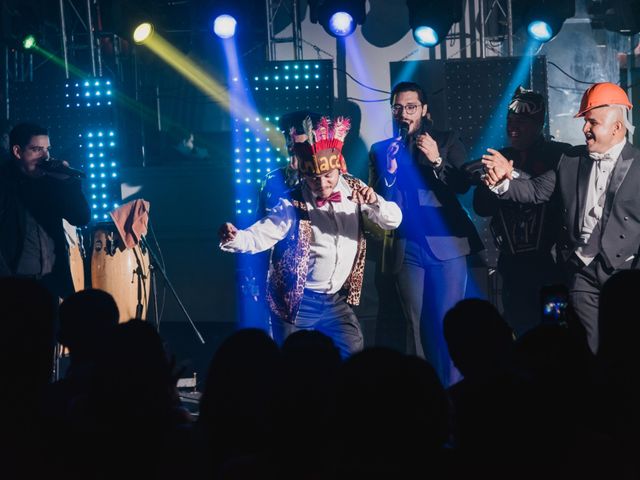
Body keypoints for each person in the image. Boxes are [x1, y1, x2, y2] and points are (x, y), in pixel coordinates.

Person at [220, 115, 402, 358]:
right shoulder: (291, 201)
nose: (323, 184)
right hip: (297, 299)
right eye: (315, 179)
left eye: (328, 176)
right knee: (290, 364)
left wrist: (375, 202)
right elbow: (263, 233)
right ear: (305, 176)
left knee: (352, 349)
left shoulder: (353, 188)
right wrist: (235, 237)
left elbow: (393, 220)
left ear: (338, 168)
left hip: (334, 299)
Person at [482, 82, 640, 354]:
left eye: (592, 122)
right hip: (580, 273)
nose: (585, 129)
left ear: (617, 128)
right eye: (585, 122)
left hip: (624, 276)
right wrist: (502, 183)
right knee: (588, 348)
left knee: (624, 347)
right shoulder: (570, 160)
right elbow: (535, 190)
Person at [369, 81, 483, 386]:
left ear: (424, 110)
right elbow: (376, 204)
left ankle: (455, 392)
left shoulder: (446, 140)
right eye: (398, 107)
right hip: (407, 249)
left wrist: (437, 160)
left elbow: (462, 187)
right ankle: (424, 395)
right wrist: (390, 173)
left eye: (411, 107)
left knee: (448, 324)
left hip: (446, 246)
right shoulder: (381, 150)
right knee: (415, 325)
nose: (404, 113)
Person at [472, 86, 571, 337]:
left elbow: (539, 191)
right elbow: (481, 208)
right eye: (510, 121)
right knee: (522, 330)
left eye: (522, 122)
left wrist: (509, 175)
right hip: (513, 266)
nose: (513, 127)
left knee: (556, 330)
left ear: (538, 124)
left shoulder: (557, 154)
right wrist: (489, 182)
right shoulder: (500, 156)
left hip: (550, 266)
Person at [0, 122, 90, 300]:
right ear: (17, 152)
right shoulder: (4, 184)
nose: (45, 157)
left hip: (51, 283)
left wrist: (67, 183)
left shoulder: (52, 183)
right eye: (36, 150)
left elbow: (81, 217)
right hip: (14, 286)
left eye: (47, 149)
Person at [257, 110, 322, 217]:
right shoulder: (271, 179)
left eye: (298, 131)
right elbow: (260, 220)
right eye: (287, 133)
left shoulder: (326, 178)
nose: (290, 138)